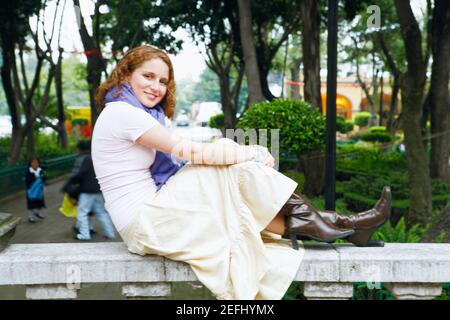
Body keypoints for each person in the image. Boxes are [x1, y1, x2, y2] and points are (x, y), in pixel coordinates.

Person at [92, 45, 391, 300]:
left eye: (162, 81)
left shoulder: (141, 114)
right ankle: (335, 224)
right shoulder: (121, 113)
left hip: (155, 212)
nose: (155, 87)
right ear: (125, 74)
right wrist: (253, 152)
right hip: (145, 221)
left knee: (241, 203)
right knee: (227, 163)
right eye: (148, 76)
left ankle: (349, 226)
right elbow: (194, 153)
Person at [66, 140, 116, 241]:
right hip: (98, 189)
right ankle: (110, 233)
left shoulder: (86, 159)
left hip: (87, 190)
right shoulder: (99, 157)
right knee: (101, 212)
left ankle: (84, 234)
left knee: (82, 212)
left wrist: (70, 181)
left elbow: (81, 173)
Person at [25, 158, 46, 223]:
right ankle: (31, 217)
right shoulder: (28, 171)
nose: (35, 164)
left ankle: (38, 213)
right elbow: (27, 180)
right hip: (31, 190)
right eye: (33, 162)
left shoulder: (40, 170)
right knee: (31, 203)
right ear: (30, 164)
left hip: (39, 190)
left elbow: (44, 178)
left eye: (36, 162)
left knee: (40, 202)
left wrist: (43, 177)